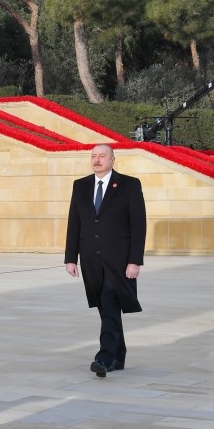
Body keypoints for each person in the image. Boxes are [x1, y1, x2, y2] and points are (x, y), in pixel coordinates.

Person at [65, 143, 146, 378]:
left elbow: (138, 225)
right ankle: (118, 356)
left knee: (110, 304)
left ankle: (104, 356)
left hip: (118, 260)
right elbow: (74, 222)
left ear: (113, 159)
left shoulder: (129, 185)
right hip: (91, 259)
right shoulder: (80, 186)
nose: (97, 160)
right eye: (93, 156)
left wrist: (135, 260)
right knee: (105, 307)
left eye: (102, 156)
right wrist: (71, 258)